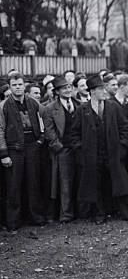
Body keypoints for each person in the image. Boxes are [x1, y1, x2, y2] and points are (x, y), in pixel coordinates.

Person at [69, 74, 128, 223]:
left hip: (113, 153)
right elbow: (74, 133)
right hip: (92, 155)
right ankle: (99, 214)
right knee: (95, 185)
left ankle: (127, 212)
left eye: (103, 88)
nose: (104, 92)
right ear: (92, 91)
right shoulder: (82, 110)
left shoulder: (113, 107)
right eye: (100, 89)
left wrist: (123, 146)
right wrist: (81, 150)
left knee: (120, 183)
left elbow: (125, 128)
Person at [0, 72, 45, 231]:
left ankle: (36, 217)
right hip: (14, 150)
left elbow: (43, 120)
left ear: (24, 85)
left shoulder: (33, 103)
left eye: (20, 84)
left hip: (32, 147)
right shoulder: (4, 105)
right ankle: (13, 222)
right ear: (10, 87)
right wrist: (4, 154)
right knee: (13, 186)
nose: (18, 88)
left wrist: (41, 139)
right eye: (14, 85)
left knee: (34, 183)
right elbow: (0, 130)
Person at [42, 76, 77, 223]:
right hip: (63, 150)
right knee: (64, 183)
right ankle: (66, 214)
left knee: (79, 180)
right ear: (57, 92)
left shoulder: (79, 105)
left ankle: (81, 211)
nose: (68, 90)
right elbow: (49, 132)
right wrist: (59, 147)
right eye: (64, 88)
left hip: (78, 148)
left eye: (69, 87)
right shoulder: (50, 109)